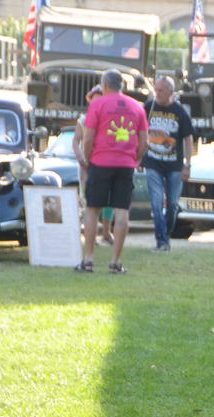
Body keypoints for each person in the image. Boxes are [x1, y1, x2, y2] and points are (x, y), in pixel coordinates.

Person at [78, 69, 148, 274]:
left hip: (100, 162)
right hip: (125, 164)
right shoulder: (137, 106)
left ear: (105, 85)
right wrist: (134, 158)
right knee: (122, 212)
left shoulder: (97, 104)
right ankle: (115, 262)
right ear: (122, 86)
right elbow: (145, 142)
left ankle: (88, 259)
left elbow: (88, 137)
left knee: (93, 210)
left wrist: (88, 158)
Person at [144, 76, 195, 252]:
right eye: (156, 90)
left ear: (170, 92)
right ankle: (162, 241)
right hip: (153, 163)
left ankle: (166, 234)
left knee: (172, 204)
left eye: (161, 91)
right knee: (156, 203)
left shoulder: (179, 111)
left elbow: (188, 138)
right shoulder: (149, 107)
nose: (157, 94)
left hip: (174, 165)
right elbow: (138, 129)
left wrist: (187, 164)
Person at [74, 86, 114, 246]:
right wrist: (80, 157)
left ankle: (106, 232)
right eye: (94, 99)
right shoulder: (84, 119)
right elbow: (76, 141)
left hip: (106, 163)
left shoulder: (110, 118)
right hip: (87, 165)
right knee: (88, 199)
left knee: (109, 199)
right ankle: (90, 235)